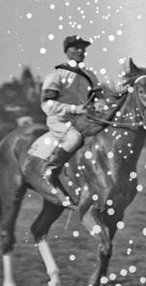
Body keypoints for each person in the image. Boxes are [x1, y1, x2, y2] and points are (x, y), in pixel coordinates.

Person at [39, 34, 102, 196]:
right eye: (76, 48)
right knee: (74, 139)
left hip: (82, 121)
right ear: (67, 52)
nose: (81, 51)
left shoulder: (90, 76)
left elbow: (100, 97)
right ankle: (49, 170)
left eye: (83, 48)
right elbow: (47, 104)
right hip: (60, 120)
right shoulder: (56, 75)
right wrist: (75, 109)